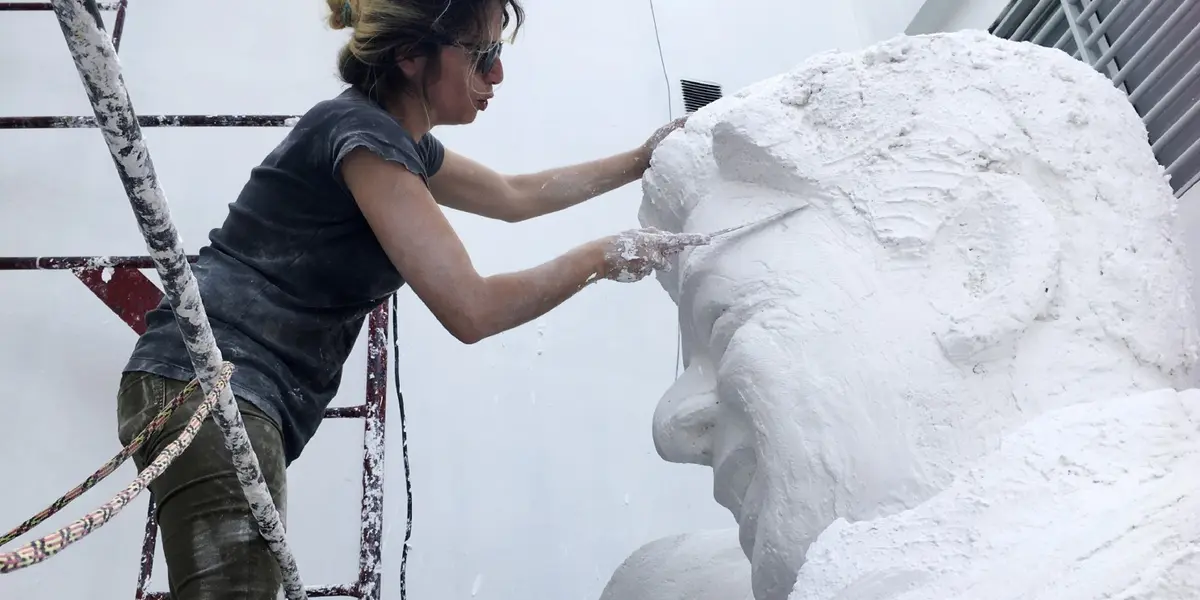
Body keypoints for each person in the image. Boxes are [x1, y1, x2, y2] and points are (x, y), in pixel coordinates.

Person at [113, 0, 688, 597]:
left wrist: (643, 160)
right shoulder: (362, 139)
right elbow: (473, 309)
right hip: (211, 376)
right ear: (412, 56)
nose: (496, 76)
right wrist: (604, 257)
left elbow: (516, 196)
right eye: (482, 56)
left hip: (225, 384)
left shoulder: (387, 139)